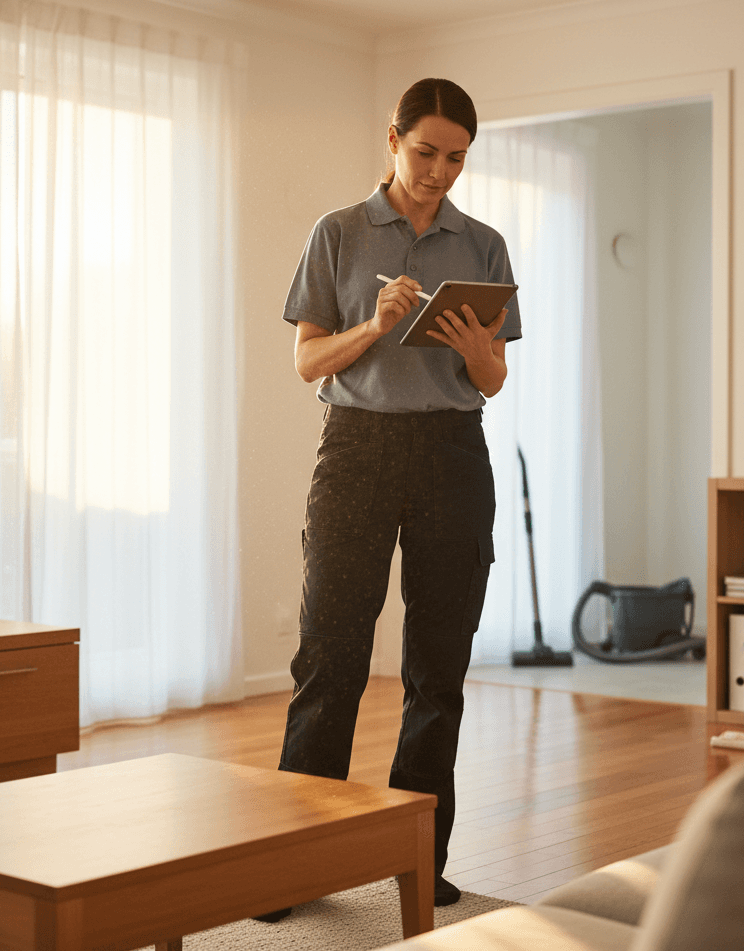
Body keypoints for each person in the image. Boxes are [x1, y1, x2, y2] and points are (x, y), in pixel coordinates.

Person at [268, 78, 521, 919]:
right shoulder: (337, 234)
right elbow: (309, 363)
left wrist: (478, 347)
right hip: (357, 452)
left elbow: (492, 379)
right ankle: (294, 864)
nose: (440, 171)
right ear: (393, 139)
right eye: (426, 153)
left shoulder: (482, 245)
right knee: (329, 661)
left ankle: (421, 857)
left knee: (437, 670)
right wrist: (374, 326)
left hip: (453, 453)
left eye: (455, 157)